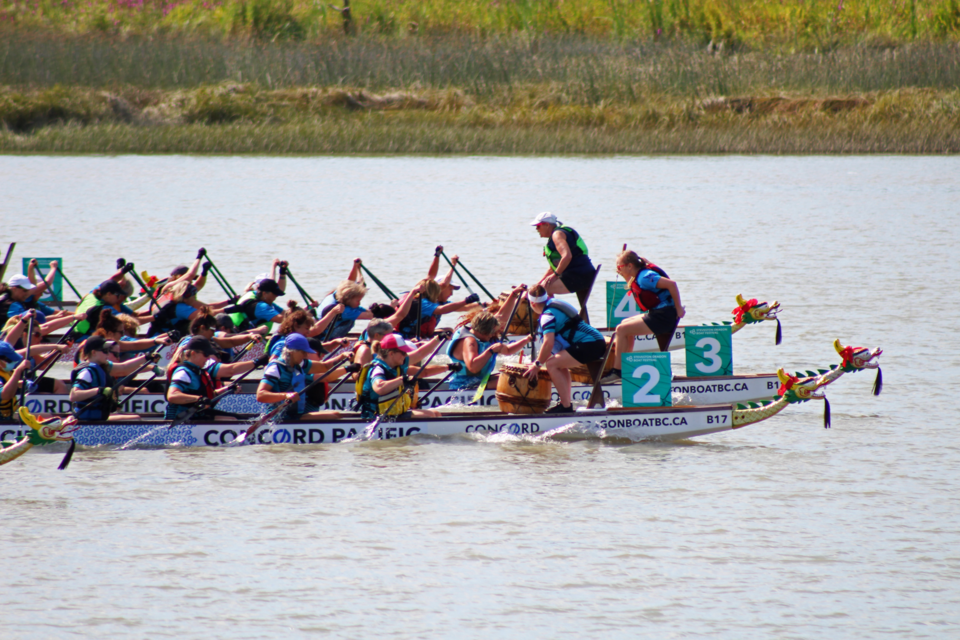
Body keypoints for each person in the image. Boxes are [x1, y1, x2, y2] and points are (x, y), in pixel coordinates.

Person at [522, 284, 606, 413]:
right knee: (559, 364)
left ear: (532, 304)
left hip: (590, 344)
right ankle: (566, 404)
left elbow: (548, 343)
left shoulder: (547, 316)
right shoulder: (556, 302)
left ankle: (566, 407)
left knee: (551, 364)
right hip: (596, 341)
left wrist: (537, 364)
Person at [609, 250, 686, 376]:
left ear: (630, 266)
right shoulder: (638, 275)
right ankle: (625, 365)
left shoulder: (645, 277)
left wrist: (679, 308)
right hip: (659, 313)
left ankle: (617, 371)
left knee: (621, 329)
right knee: (625, 323)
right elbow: (631, 284)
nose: (617, 270)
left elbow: (672, 284)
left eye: (619, 267)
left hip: (664, 316)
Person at [356, 333, 459, 420]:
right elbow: (379, 387)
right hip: (375, 416)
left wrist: (438, 339)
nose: (406, 355)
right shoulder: (378, 369)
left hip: (391, 413)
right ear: (391, 354)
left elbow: (419, 353)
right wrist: (402, 379)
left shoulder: (397, 363)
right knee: (430, 415)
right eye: (403, 352)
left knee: (435, 413)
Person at [446, 288, 532, 391]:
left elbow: (507, 349)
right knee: (512, 380)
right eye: (492, 332)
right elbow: (472, 367)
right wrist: (490, 351)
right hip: (464, 387)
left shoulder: (482, 331)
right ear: (485, 331)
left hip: (480, 381)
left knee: (518, 375)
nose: (493, 335)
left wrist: (527, 339)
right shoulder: (469, 341)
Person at [165, 336, 269, 420]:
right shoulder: (183, 372)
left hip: (197, 415)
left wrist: (226, 389)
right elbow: (172, 395)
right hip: (180, 420)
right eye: (205, 354)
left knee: (241, 418)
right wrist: (199, 399)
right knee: (231, 420)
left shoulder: (198, 370)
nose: (208, 358)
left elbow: (207, 395)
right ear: (193, 353)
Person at [255, 333, 346, 422]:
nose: (306, 355)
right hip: (279, 417)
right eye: (303, 352)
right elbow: (260, 395)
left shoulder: (300, 363)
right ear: (291, 351)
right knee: (334, 417)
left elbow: (324, 366)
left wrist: (341, 357)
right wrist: (285, 395)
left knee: (337, 414)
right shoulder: (275, 368)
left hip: (294, 414)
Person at [70, 336, 160, 422]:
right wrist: (99, 391)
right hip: (86, 419)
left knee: (133, 416)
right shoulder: (86, 372)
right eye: (105, 351)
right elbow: (73, 395)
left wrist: (146, 357)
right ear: (93, 352)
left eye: (108, 351)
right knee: (135, 418)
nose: (108, 354)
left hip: (97, 417)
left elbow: (124, 367)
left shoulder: (102, 366)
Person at [530, 212, 596, 297]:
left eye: (538, 226)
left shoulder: (557, 235)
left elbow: (567, 256)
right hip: (582, 274)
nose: (536, 229)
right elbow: (552, 269)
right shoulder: (556, 235)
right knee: (540, 287)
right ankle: (549, 309)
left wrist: (555, 275)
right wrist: (537, 284)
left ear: (547, 225)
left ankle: (549, 310)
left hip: (580, 275)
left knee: (541, 291)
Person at [395, 279, 479, 341]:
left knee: (449, 331)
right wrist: (466, 300)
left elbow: (462, 307)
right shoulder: (422, 302)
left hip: (420, 335)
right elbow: (441, 310)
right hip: (408, 337)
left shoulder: (432, 302)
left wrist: (486, 305)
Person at [148, 281, 233, 337]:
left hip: (154, 334)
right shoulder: (180, 308)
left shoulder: (169, 299)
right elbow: (205, 315)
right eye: (194, 296)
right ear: (187, 297)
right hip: (162, 340)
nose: (195, 299)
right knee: (205, 324)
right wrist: (229, 310)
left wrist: (229, 302)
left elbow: (207, 307)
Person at [0, 263, 69, 320]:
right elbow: (46, 283)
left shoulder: (17, 297)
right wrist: (53, 268)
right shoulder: (12, 304)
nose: (27, 293)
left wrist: (31, 267)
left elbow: (33, 287)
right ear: (15, 289)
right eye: (25, 290)